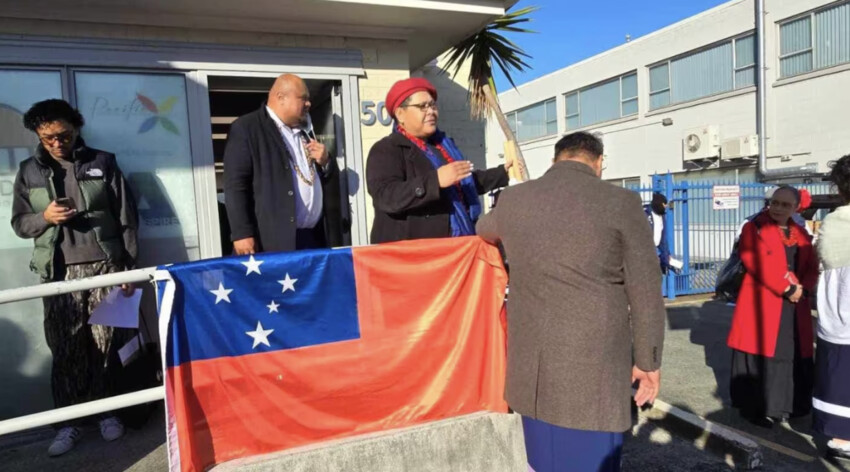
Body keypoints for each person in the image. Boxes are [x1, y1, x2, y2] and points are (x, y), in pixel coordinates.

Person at [476, 132, 665, 472]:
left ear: (554, 160)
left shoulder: (515, 199)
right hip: (594, 367)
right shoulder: (621, 202)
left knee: (542, 459)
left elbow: (483, 229)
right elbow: (646, 288)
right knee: (590, 459)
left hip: (533, 368)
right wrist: (648, 361)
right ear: (599, 163)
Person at [11, 99, 138, 456]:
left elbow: (127, 218)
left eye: (62, 135)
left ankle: (108, 413)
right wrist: (45, 219)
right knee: (66, 348)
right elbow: (20, 224)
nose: (55, 143)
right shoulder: (29, 171)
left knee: (105, 343)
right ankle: (68, 424)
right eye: (46, 137)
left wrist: (128, 269)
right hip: (57, 273)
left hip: (105, 267)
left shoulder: (103, 162)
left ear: (76, 127)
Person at [366, 77, 513, 244]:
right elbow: (386, 197)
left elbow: (466, 182)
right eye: (422, 106)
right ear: (400, 114)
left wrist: (503, 173)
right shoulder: (387, 149)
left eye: (432, 105)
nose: (431, 111)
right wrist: (435, 181)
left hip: (458, 246)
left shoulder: (442, 146)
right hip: (414, 257)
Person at [727, 185, 818, 428]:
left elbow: (811, 265)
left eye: (785, 205)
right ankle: (761, 408)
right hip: (762, 302)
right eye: (775, 202)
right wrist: (787, 288)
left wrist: (804, 288)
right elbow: (754, 260)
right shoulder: (753, 227)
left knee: (791, 354)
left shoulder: (800, 231)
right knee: (764, 355)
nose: (778, 208)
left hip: (794, 305)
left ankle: (789, 405)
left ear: (796, 208)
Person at [223, 74, 342, 254]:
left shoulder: (305, 132)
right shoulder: (248, 128)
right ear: (281, 98)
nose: (309, 104)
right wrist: (241, 233)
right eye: (304, 98)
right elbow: (235, 184)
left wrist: (326, 162)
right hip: (273, 242)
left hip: (312, 239)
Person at [812, 155, 850, 458]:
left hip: (837, 310)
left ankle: (842, 436)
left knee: (838, 374)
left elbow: (822, 261)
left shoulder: (833, 221)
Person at [644, 192, 673, 274]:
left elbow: (663, 237)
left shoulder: (662, 216)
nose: (666, 206)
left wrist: (667, 253)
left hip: (658, 250)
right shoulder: (645, 214)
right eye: (664, 204)